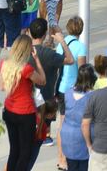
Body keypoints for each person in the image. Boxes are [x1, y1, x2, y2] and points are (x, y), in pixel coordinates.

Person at [0, 35, 46, 171]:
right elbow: (42, 81)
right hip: (25, 113)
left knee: (14, 150)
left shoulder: (4, 63)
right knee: (25, 152)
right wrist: (37, 60)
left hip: (9, 110)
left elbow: (2, 87)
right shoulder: (26, 69)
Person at [29, 18, 74, 149]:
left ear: (30, 33)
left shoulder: (25, 52)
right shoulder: (49, 54)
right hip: (47, 97)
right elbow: (70, 60)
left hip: (30, 97)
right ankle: (46, 134)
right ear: (45, 35)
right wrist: (62, 42)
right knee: (45, 122)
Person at [56, 17, 89, 169]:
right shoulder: (80, 47)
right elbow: (83, 69)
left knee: (62, 123)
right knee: (73, 123)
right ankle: (69, 157)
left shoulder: (61, 44)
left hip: (61, 87)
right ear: (81, 29)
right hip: (73, 89)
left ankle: (61, 158)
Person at [60, 64, 97, 171]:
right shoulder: (93, 97)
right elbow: (86, 124)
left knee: (72, 166)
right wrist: (90, 145)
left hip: (67, 136)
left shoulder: (68, 93)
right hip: (84, 138)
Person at [28, 100, 59, 171]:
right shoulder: (41, 125)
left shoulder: (34, 117)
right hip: (32, 149)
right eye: (55, 113)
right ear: (50, 114)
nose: (55, 115)